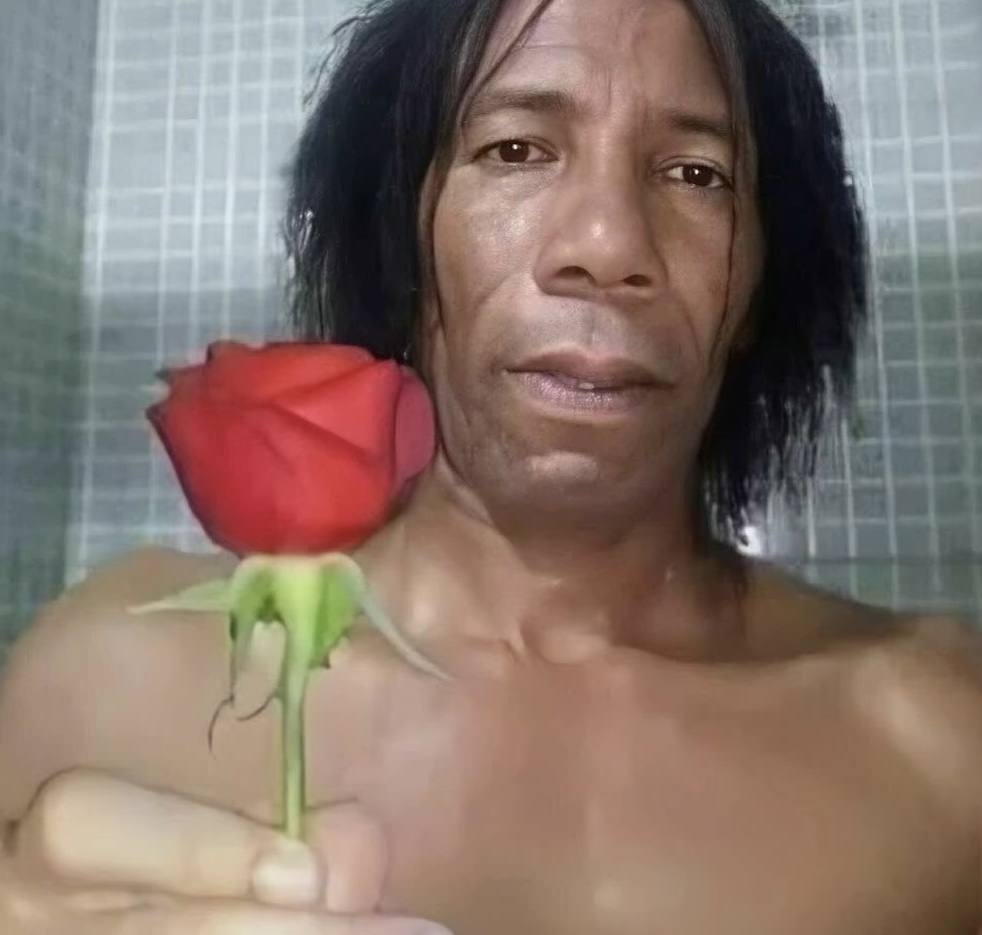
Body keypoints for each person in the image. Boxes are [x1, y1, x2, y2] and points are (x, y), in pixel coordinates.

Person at [1, 0, 980, 931]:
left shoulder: (938, 742)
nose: (607, 244)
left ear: (762, 286)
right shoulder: (108, 675)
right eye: (515, 150)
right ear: (401, 240)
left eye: (696, 173)